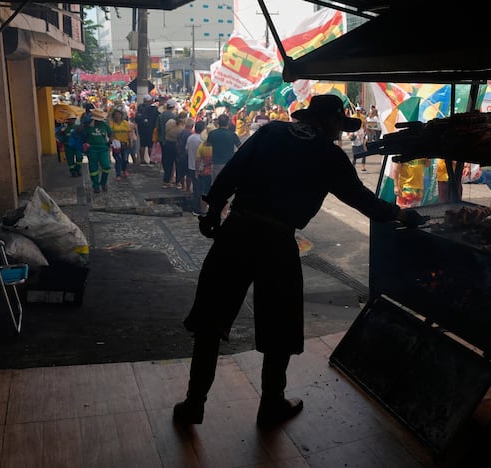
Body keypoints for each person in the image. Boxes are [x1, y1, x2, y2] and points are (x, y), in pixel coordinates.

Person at [173, 94, 427, 429]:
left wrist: (212, 211)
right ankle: (271, 405)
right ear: (331, 122)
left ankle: (194, 404)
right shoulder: (329, 156)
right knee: (279, 326)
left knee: (210, 321)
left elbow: (234, 170)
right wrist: (401, 215)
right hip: (277, 242)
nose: (341, 133)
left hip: (237, 232)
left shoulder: (270, 132)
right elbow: (363, 200)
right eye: (340, 125)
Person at [82, 108, 113, 193]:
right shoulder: (88, 125)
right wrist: (84, 122)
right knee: (93, 168)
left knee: (106, 166)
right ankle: (95, 185)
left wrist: (110, 142)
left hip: (103, 148)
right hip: (91, 149)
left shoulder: (104, 124)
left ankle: (103, 183)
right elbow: (80, 132)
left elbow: (111, 133)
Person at [207, 113, 241, 183]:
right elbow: (240, 148)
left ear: (218, 122)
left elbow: (208, 146)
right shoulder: (232, 135)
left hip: (216, 163)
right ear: (228, 122)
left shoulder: (212, 134)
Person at [185, 120, 205, 215]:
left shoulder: (190, 138)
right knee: (200, 189)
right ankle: (197, 208)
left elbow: (186, 151)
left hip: (191, 165)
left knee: (196, 188)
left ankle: (196, 207)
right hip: (200, 167)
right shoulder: (202, 140)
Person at [109, 108, 131, 181]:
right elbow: (110, 133)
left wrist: (130, 142)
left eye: (119, 115)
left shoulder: (125, 123)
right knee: (118, 159)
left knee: (125, 159)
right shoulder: (112, 123)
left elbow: (129, 133)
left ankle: (124, 170)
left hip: (124, 143)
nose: (117, 116)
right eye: (116, 115)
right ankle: (118, 174)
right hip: (116, 144)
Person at [135, 94, 159, 165]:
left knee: (142, 144)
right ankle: (151, 160)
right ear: (150, 101)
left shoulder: (140, 107)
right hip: (150, 129)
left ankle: (142, 160)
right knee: (150, 145)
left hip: (141, 129)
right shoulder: (153, 108)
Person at [176, 117, 194, 191]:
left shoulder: (180, 132)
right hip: (187, 156)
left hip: (180, 154)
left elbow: (177, 144)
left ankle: (183, 186)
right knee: (188, 174)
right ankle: (188, 188)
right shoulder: (190, 135)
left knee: (182, 172)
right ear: (192, 126)